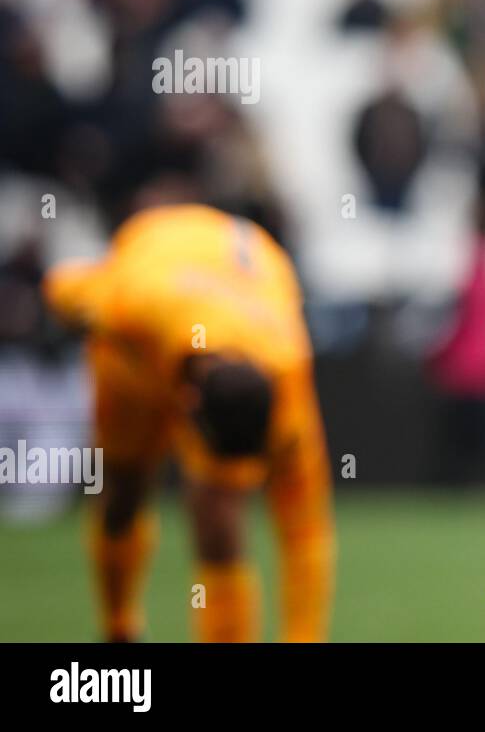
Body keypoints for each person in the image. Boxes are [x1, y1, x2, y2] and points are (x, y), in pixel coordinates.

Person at [43, 204, 334, 642]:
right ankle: (119, 628)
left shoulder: (288, 369)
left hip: (229, 282)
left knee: (218, 517)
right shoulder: (130, 303)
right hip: (140, 329)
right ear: (190, 407)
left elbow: (307, 533)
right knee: (122, 493)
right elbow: (61, 285)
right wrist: (79, 320)